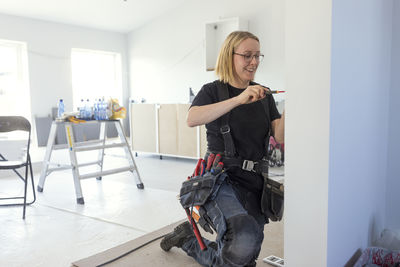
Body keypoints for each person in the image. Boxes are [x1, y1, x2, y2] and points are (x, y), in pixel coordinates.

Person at [160, 31, 285, 267]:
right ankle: (190, 241)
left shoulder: (264, 95)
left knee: (243, 255)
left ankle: (187, 237)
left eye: (258, 55)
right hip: (220, 178)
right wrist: (238, 99)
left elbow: (279, 135)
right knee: (244, 235)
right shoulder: (212, 90)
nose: (254, 62)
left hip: (255, 180)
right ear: (230, 56)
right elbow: (192, 118)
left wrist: (297, 103)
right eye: (247, 55)